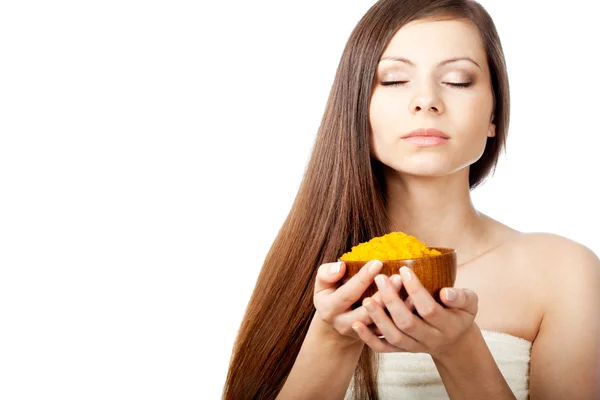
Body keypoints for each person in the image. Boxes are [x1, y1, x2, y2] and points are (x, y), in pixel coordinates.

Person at [222, 0, 600, 398]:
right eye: (393, 80)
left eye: (457, 80)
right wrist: (332, 340)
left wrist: (459, 350)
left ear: (494, 114)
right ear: (357, 109)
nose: (426, 101)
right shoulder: (306, 264)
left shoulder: (563, 273)